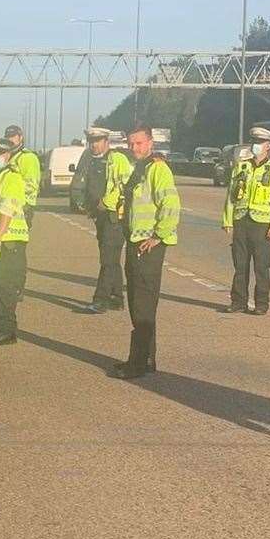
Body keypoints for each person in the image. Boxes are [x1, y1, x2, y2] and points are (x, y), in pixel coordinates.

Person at [109, 124, 180, 380]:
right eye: (130, 143)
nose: (134, 148)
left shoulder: (158, 170)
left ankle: (137, 363)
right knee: (140, 304)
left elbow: (171, 205)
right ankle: (146, 359)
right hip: (135, 241)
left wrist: (158, 236)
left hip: (147, 246)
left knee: (142, 306)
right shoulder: (140, 169)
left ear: (150, 142)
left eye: (139, 143)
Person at [223, 127, 270, 316]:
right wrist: (227, 220)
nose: (255, 145)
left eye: (259, 142)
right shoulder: (241, 166)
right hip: (241, 221)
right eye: (254, 141)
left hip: (262, 224)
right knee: (240, 265)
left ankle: (261, 303)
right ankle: (238, 302)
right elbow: (231, 196)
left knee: (261, 266)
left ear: (268, 146)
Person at [80, 126, 131, 313]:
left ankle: (100, 300)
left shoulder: (117, 159)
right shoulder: (91, 161)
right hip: (100, 217)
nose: (93, 145)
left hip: (113, 217)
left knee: (107, 260)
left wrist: (106, 201)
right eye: (91, 142)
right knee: (112, 259)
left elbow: (126, 186)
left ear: (106, 142)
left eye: (97, 141)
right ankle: (117, 297)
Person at [0, 138, 29, 346]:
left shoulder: (11, 178)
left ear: (8, 155)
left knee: (4, 286)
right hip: (2, 239)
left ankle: (7, 330)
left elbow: (7, 210)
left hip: (10, 240)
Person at [3, 125, 41, 222]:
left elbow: (31, 185)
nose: (9, 139)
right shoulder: (9, 156)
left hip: (24, 205)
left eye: (13, 136)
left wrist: (11, 189)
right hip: (9, 203)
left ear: (20, 137)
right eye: (7, 137)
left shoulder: (28, 157)